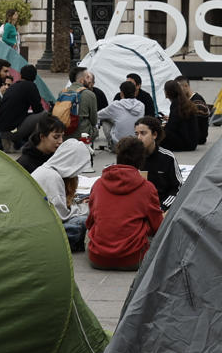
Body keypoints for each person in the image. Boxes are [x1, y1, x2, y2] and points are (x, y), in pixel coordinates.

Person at [86, 136, 163, 271]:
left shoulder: (98, 184)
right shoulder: (147, 188)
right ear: (141, 160)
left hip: (98, 258)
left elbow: (90, 222)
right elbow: (158, 227)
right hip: (134, 259)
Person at [31, 136, 93, 221]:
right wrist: (86, 208)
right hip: (40, 223)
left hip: (37, 218)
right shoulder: (53, 178)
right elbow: (62, 216)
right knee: (80, 221)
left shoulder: (46, 169)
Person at [0, 64, 50, 145]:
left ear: (21, 75)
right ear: (35, 77)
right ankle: (33, 145)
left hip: (1, 130)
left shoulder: (13, 86)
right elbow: (38, 109)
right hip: (11, 132)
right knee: (44, 115)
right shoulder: (30, 86)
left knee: (31, 116)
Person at [134, 114, 180, 206]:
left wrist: (163, 207)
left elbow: (177, 188)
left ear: (154, 135)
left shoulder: (167, 157)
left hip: (161, 207)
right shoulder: (131, 156)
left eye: (143, 133)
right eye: (136, 134)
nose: (139, 138)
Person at [160, 78, 209, 152]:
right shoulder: (184, 102)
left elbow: (171, 127)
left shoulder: (176, 104)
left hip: (187, 143)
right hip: (192, 141)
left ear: (168, 92)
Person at [98, 79, 147, 146]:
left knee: (105, 119)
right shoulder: (141, 105)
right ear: (135, 93)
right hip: (136, 144)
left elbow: (98, 115)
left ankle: (111, 144)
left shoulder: (115, 105)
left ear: (121, 93)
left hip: (119, 146)